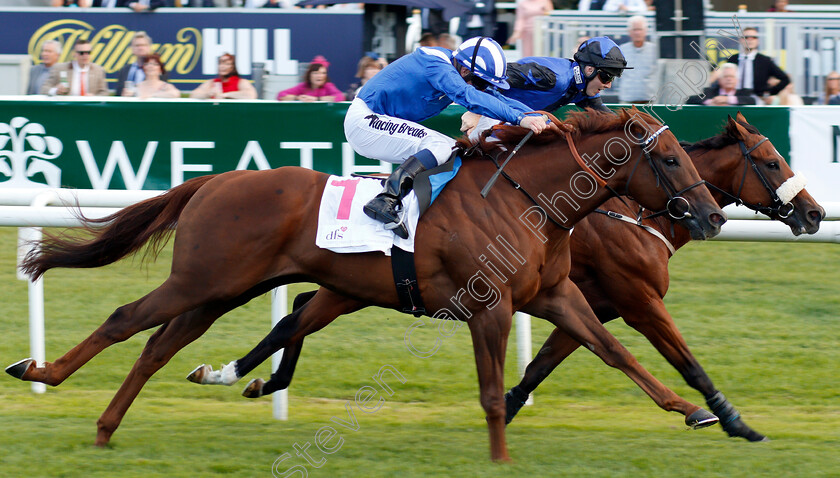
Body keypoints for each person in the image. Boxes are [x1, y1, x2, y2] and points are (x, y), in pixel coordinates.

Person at [345, 36, 547, 238]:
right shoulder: (436, 64)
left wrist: (543, 120)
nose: (484, 88)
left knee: (452, 150)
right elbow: (468, 95)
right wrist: (519, 119)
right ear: (465, 71)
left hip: (375, 121)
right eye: (481, 82)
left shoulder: (460, 70)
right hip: (365, 121)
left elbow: (498, 98)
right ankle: (385, 200)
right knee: (443, 146)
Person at [464, 36, 632, 141]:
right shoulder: (554, 77)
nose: (608, 85)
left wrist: (639, 129)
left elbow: (607, 116)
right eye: (606, 77)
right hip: (491, 115)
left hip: (519, 123)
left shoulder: (582, 87)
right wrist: (476, 111)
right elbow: (489, 76)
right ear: (589, 70)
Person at [726, 27, 790, 99]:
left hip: (756, 99)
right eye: (746, 37)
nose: (750, 40)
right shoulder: (732, 59)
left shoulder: (765, 61)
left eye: (754, 37)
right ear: (740, 40)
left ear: (758, 41)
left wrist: (770, 93)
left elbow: (785, 79)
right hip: (733, 97)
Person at [41, 39, 109, 96]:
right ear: (74, 54)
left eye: (88, 52)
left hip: (90, 109)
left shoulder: (98, 70)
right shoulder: (60, 68)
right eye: (81, 53)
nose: (85, 56)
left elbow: (104, 92)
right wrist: (56, 90)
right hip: (67, 108)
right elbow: (44, 89)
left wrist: (94, 98)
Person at [617, 15, 657, 104]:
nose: (637, 33)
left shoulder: (655, 50)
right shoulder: (622, 50)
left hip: (650, 100)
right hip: (627, 100)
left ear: (645, 31)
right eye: (634, 30)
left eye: (640, 29)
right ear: (629, 32)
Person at [114, 32, 168, 97]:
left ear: (149, 47)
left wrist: (139, 94)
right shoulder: (124, 70)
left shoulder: (157, 69)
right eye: (137, 45)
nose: (140, 48)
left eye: (143, 45)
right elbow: (118, 94)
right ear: (132, 48)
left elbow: (167, 92)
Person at [686, 63, 760, 106]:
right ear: (719, 80)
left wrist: (728, 99)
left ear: (737, 80)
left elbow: (752, 101)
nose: (729, 79)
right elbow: (690, 100)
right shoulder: (710, 92)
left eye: (732, 76)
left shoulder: (744, 92)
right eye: (726, 76)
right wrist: (711, 102)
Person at [190, 53, 257, 99]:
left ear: (233, 67)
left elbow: (251, 95)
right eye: (221, 64)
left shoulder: (241, 82)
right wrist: (208, 94)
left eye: (227, 64)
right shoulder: (211, 82)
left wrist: (225, 95)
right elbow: (193, 95)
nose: (223, 67)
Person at [276, 56, 345, 102]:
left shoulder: (328, 86)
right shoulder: (303, 86)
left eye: (323, 73)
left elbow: (340, 97)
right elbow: (281, 95)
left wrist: (316, 99)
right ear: (309, 75)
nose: (320, 76)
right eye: (316, 73)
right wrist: (298, 98)